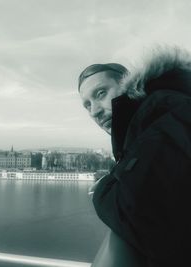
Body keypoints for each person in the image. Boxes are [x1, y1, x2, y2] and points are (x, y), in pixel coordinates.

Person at [78, 47, 191, 267]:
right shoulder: (154, 117)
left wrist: (102, 188)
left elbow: (137, 215)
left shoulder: (162, 115)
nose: (94, 112)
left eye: (101, 93)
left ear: (128, 84)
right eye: (87, 105)